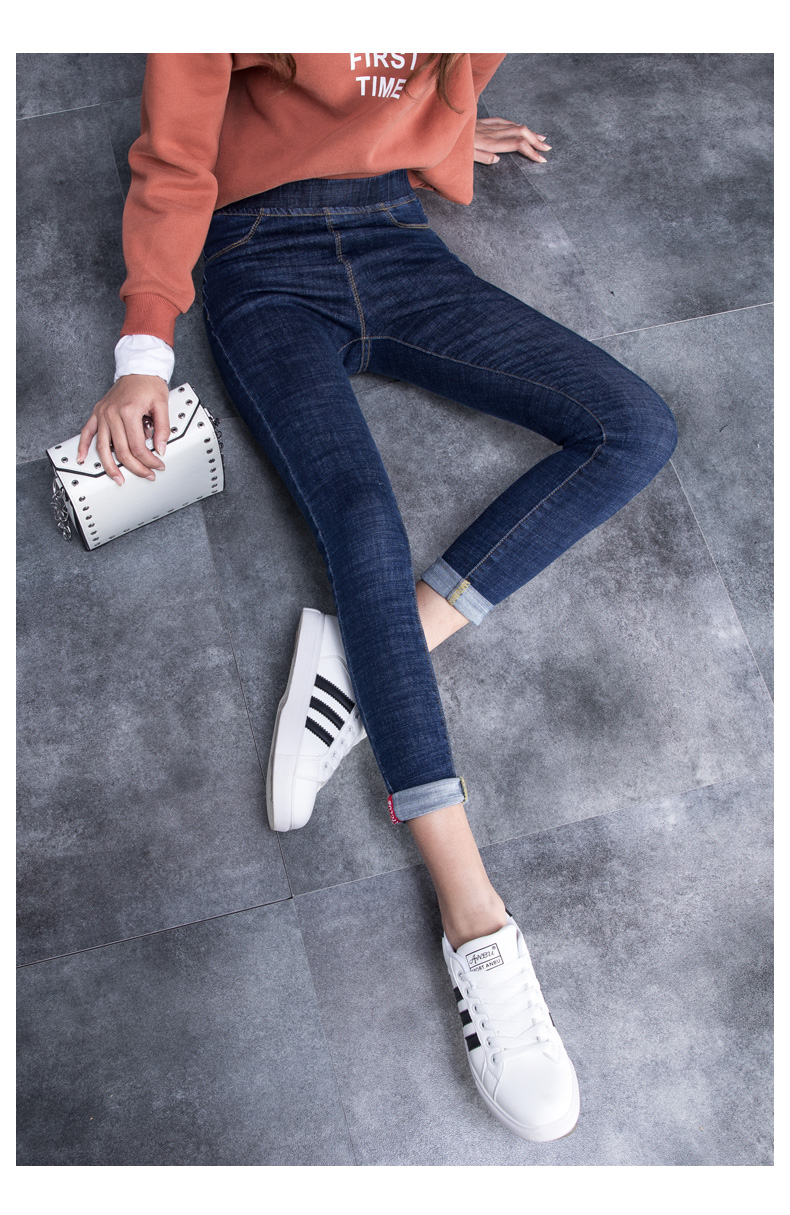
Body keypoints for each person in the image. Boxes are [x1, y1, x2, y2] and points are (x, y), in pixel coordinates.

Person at [78, 53, 678, 1144]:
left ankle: (368, 655)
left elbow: (404, 75)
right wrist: (143, 352)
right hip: (254, 254)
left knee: (634, 427)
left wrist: (437, 129)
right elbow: (174, 155)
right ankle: (477, 925)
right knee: (360, 522)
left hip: (397, 235)